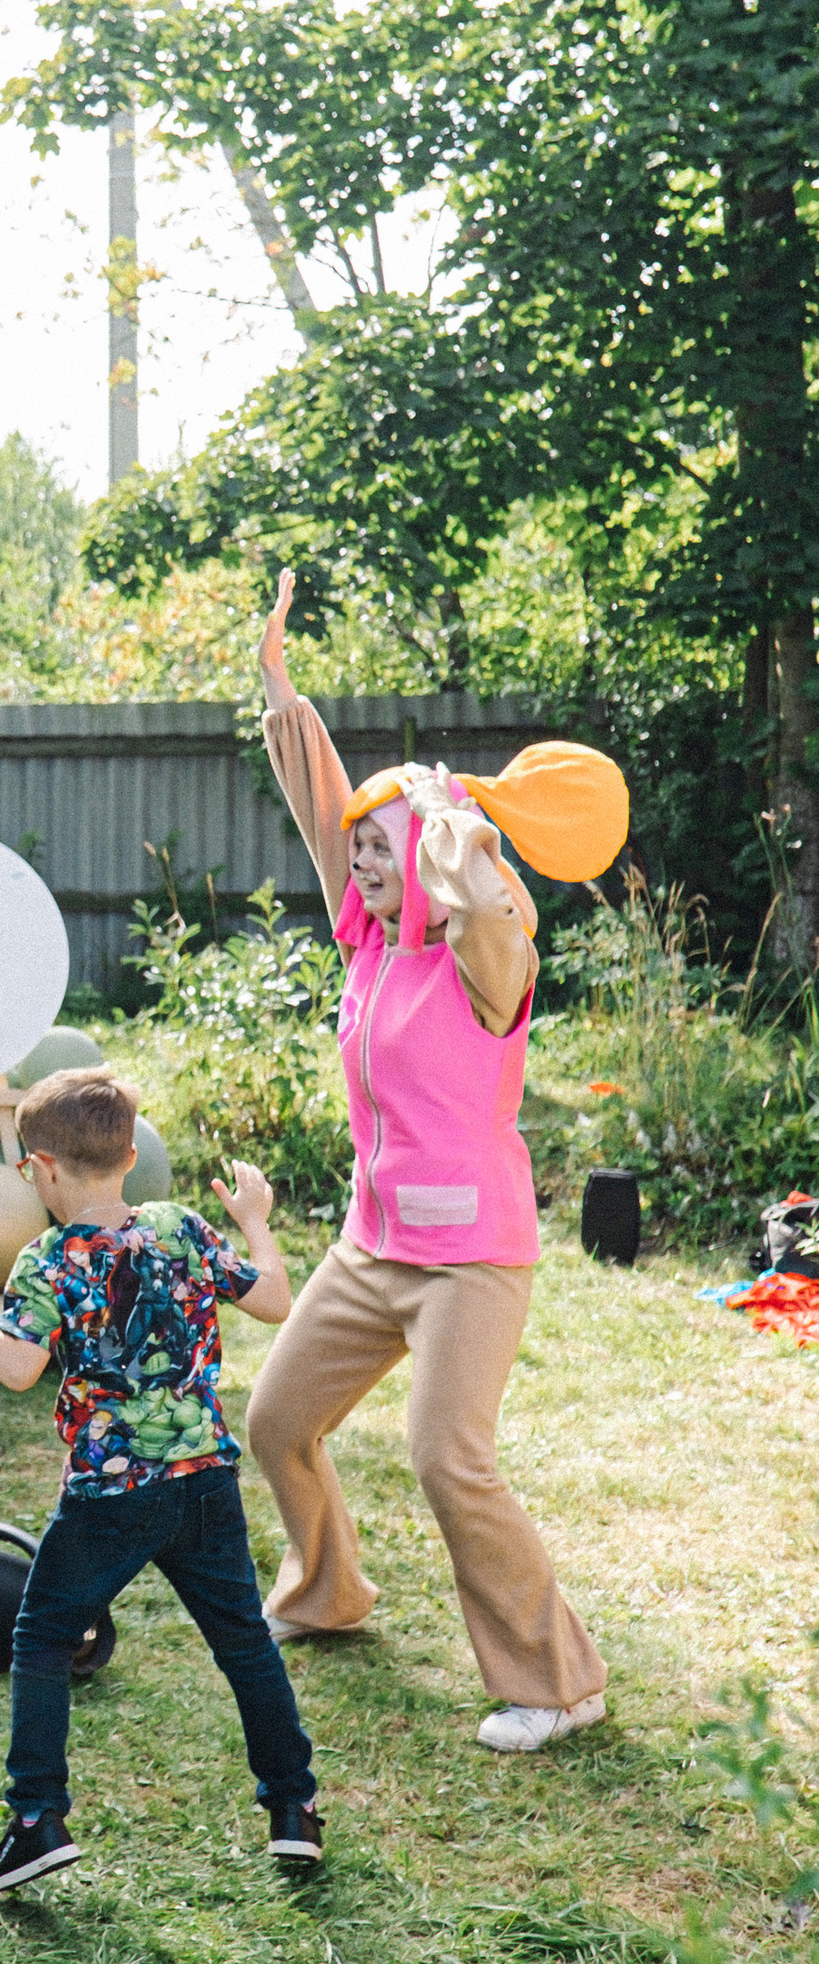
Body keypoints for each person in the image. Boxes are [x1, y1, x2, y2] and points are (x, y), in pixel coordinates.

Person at [244, 569, 609, 1754]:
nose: (358, 867)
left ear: (436, 860)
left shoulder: (482, 965)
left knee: (445, 1459)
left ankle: (557, 1683)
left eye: (383, 854)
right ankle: (326, 1591)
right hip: (372, 1246)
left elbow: (490, 922)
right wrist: (281, 693)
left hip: (471, 1259)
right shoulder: (366, 944)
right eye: (358, 855)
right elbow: (322, 809)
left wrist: (456, 849)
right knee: (276, 1419)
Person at [0, 1064, 319, 1898]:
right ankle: (294, 1810)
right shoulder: (183, 1229)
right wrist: (257, 1222)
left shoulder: (48, 1261)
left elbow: (19, 1368)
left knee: (43, 1638)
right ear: (129, 1157)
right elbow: (273, 1298)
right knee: (243, 1642)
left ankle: (37, 1820)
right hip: (205, 1481)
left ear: (39, 1168)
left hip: (109, 1495)